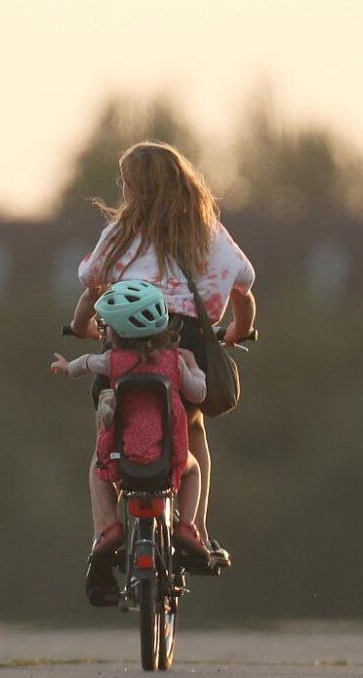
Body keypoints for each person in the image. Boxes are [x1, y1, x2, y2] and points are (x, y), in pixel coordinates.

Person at [69, 140, 257, 558]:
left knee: (108, 430)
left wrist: (82, 327)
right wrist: (238, 331)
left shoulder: (120, 235)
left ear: (136, 189)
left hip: (124, 343)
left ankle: (106, 528)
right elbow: (244, 291)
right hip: (186, 341)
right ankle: (194, 527)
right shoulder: (209, 233)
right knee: (193, 429)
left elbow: (91, 286)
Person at [51, 280, 210, 605]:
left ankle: (110, 526)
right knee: (194, 470)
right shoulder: (174, 362)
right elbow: (199, 394)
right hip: (169, 458)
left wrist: (67, 368)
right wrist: (194, 367)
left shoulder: (113, 361)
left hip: (121, 458)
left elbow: (86, 363)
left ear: (116, 332)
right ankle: (188, 525)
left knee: (98, 473)